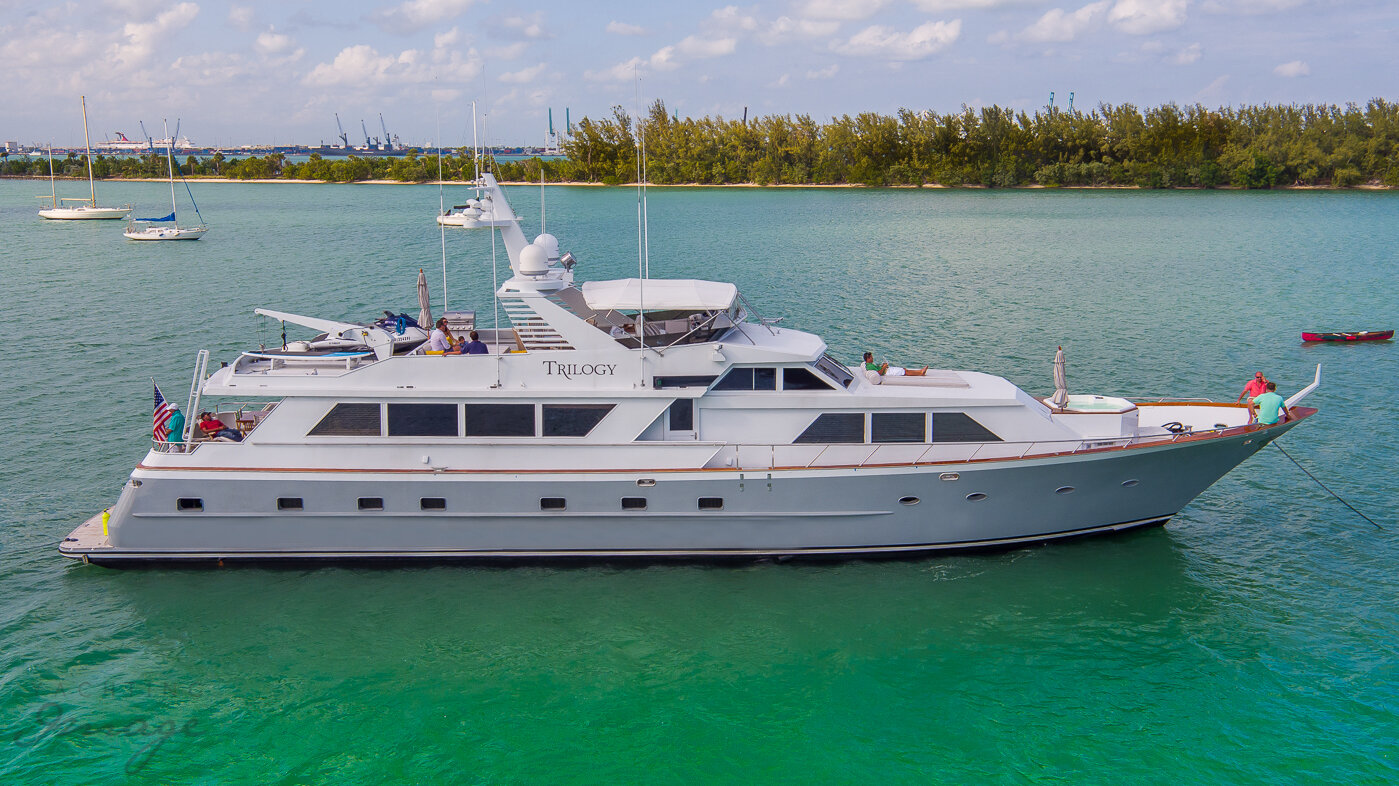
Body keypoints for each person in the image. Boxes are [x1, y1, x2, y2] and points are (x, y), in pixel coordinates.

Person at [863, 351, 929, 377]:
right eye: (871, 357)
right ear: (868, 358)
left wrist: (883, 366)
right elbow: (879, 373)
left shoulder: (869, 364)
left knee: (904, 369)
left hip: (887, 370)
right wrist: (884, 367)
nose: (873, 358)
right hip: (887, 372)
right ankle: (921, 372)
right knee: (904, 371)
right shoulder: (870, 366)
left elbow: (878, 370)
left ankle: (920, 372)